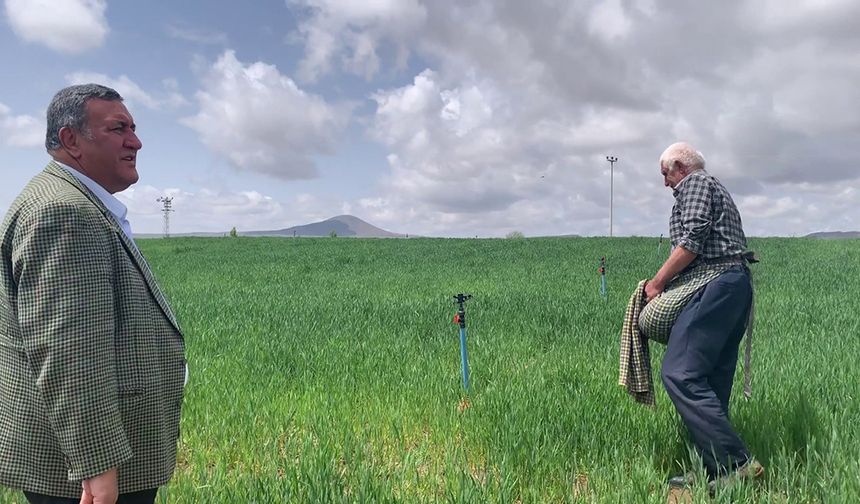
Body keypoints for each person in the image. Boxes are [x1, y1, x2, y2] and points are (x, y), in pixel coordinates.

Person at [0, 84, 186, 504]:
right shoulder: (65, 212)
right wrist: (98, 468)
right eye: (118, 128)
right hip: (84, 474)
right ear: (71, 140)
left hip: (82, 459)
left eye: (133, 128)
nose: (135, 141)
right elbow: (70, 351)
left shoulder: (71, 201)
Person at [645, 142, 763, 491]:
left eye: (665, 174)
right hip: (733, 286)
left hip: (715, 282)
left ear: (680, 167)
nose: (665, 183)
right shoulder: (714, 187)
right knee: (711, 378)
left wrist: (657, 283)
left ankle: (736, 463)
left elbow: (693, 239)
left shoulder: (696, 183)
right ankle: (715, 471)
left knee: (679, 372)